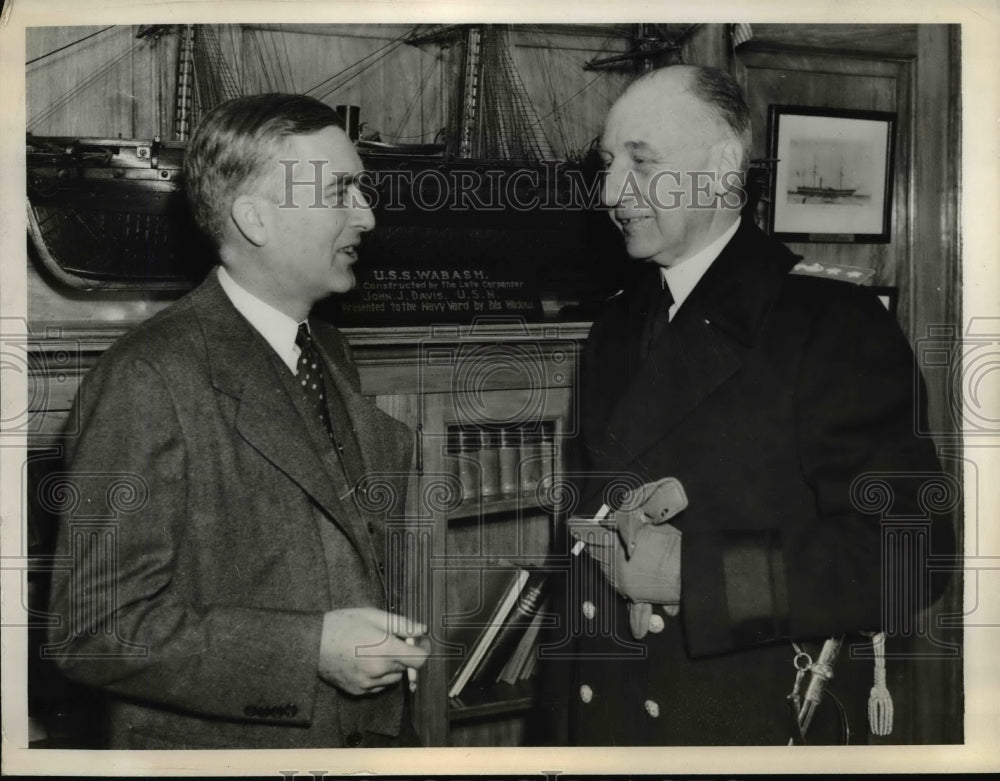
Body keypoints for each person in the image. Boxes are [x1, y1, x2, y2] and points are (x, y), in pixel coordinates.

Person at [547, 65, 954, 745]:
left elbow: (914, 556)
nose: (611, 191)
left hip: (744, 724)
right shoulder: (614, 327)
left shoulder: (831, 324)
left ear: (721, 166)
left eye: (641, 163)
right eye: (608, 163)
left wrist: (694, 574)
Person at [46, 93, 428, 749]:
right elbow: (92, 629)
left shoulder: (328, 350)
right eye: (340, 191)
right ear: (256, 218)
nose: (366, 215)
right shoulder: (148, 378)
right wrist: (307, 651)